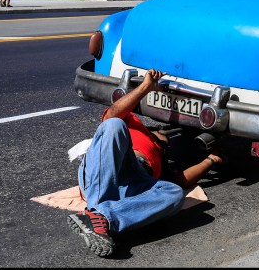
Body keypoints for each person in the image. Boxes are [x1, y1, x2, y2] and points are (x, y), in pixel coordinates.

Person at [68, 68, 225, 258]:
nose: (168, 137)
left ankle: (102, 217)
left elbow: (182, 181)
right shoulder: (134, 125)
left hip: (136, 182)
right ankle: (97, 210)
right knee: (114, 124)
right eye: (164, 132)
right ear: (154, 130)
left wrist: (211, 160)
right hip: (105, 169)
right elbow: (112, 115)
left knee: (175, 194)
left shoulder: (160, 157)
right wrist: (146, 86)